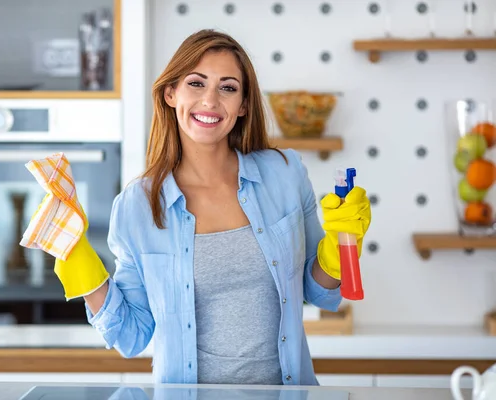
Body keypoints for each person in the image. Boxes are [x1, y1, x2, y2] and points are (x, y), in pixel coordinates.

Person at [50, 29, 371, 385]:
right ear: (171, 93)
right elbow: (132, 335)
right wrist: (76, 257)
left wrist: (342, 242)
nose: (210, 101)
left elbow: (321, 293)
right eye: (196, 83)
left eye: (228, 87)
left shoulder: (285, 174)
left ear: (244, 104)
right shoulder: (138, 206)